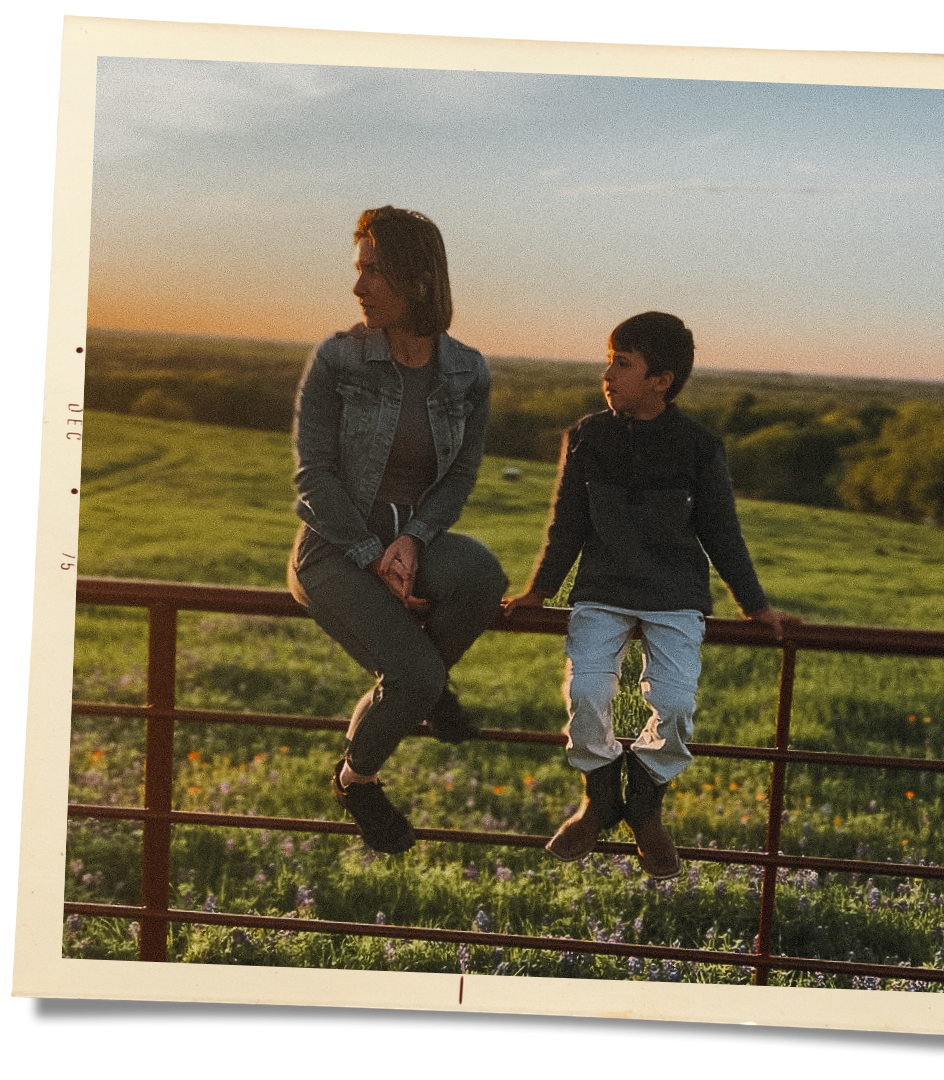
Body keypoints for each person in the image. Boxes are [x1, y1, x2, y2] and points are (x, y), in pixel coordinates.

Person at [503, 312, 797, 880]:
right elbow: (567, 523)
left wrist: (755, 605)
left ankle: (645, 804)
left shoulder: (698, 446)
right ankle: (597, 798)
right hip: (602, 591)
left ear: (661, 380)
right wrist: (540, 590)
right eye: (609, 360)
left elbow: (721, 531)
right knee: (586, 691)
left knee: (678, 705)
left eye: (622, 363)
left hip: (675, 595)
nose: (607, 373)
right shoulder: (587, 436)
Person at [288, 206, 508, 855]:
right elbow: (314, 475)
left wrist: (413, 540)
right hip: (332, 549)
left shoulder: (467, 370)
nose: (358, 287)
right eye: (359, 270)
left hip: (413, 542)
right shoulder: (338, 359)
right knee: (412, 676)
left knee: (482, 574)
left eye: (374, 271)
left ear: (418, 279)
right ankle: (358, 780)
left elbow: (461, 472)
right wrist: (369, 553)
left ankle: (428, 686)